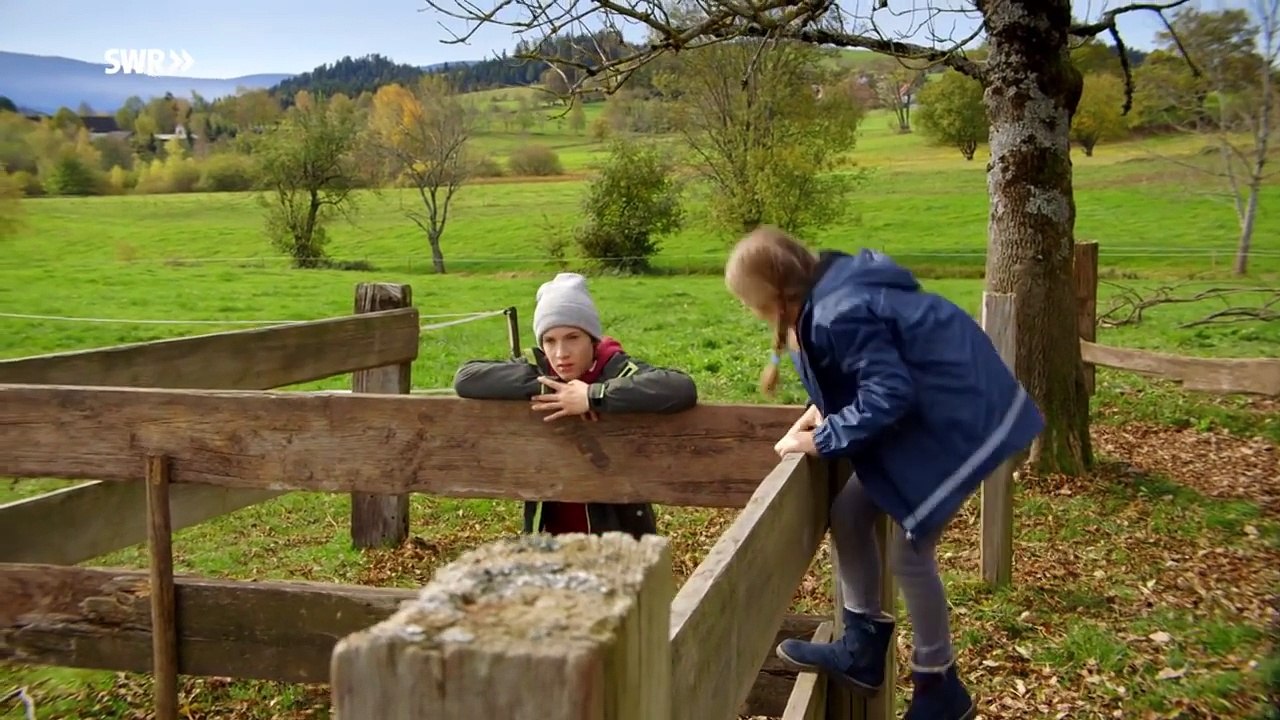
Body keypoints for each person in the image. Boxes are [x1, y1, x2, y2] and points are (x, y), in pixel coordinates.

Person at [723, 226, 1044, 720]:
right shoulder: (828, 294)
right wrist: (819, 409)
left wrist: (820, 439)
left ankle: (941, 688)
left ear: (775, 298)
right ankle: (863, 644)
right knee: (849, 512)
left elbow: (888, 393)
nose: (751, 313)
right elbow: (867, 370)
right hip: (941, 411)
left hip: (959, 421)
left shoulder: (836, 311)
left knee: (910, 554)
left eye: (751, 304)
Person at [453, 272, 698, 538]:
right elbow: (466, 378)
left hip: (619, 538)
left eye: (572, 338)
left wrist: (594, 395)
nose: (561, 353)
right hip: (550, 537)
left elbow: (680, 387)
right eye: (550, 340)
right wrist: (550, 388)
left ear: (592, 340)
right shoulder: (539, 370)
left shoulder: (617, 370)